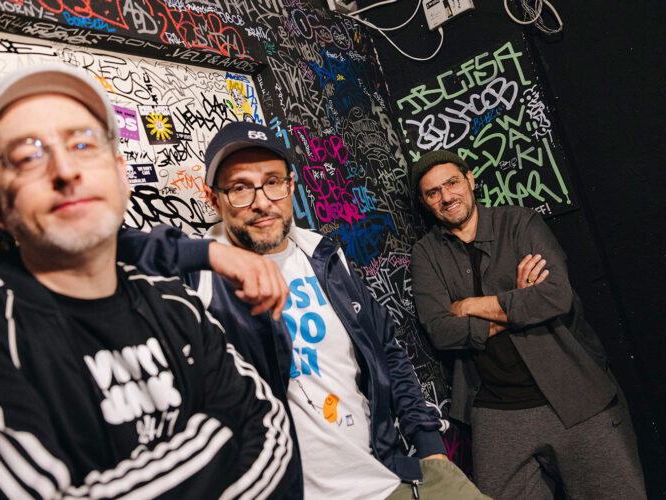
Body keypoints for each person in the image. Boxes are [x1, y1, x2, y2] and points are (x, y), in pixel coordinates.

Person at [0, 64, 294, 499]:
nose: (64, 170)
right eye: (27, 156)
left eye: (83, 144)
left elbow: (272, 432)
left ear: (121, 177)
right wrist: (223, 431)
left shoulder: (176, 304)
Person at [123, 123, 489, 500]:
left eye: (273, 182)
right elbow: (101, 250)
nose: (262, 201)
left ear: (291, 186)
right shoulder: (196, 280)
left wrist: (429, 446)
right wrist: (209, 255)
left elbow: (386, 351)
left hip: (388, 478)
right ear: (214, 200)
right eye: (240, 188)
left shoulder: (325, 257)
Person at [408, 149, 646, 499]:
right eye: (433, 192)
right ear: (424, 202)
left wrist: (470, 306)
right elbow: (441, 331)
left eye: (452, 183)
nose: (446, 197)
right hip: (496, 409)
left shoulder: (519, 223)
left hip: (574, 392)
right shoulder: (427, 254)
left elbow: (555, 296)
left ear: (470, 180)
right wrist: (519, 303)